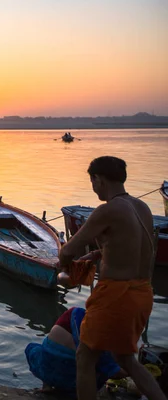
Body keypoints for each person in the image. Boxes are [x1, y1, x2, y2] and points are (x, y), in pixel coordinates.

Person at [58, 156, 165, 400]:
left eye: (92, 181)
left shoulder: (106, 210)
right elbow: (132, 248)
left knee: (84, 357)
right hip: (142, 293)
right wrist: (100, 252)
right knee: (126, 358)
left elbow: (68, 250)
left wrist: (64, 265)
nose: (93, 186)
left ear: (98, 179)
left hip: (116, 295)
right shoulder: (143, 208)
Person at [25, 307, 127, 396]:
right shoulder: (98, 331)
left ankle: (47, 386)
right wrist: (133, 371)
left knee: (32, 348)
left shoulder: (75, 313)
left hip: (46, 371)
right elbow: (113, 371)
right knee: (98, 367)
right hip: (73, 382)